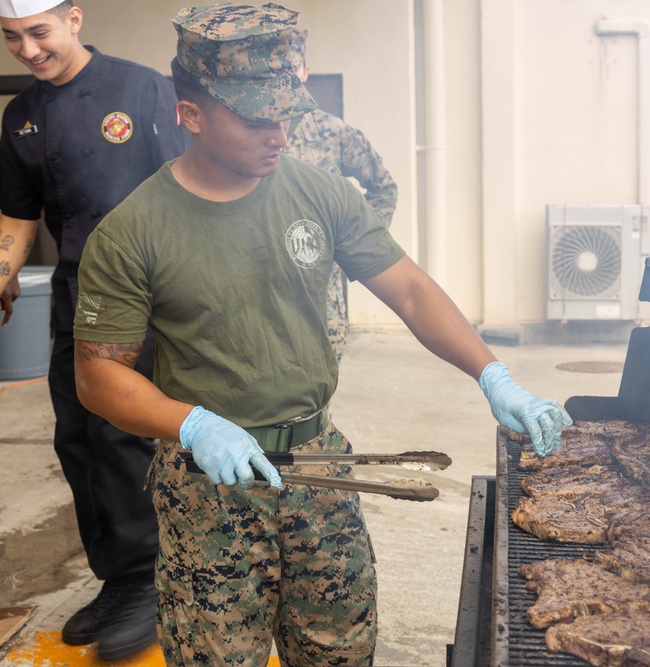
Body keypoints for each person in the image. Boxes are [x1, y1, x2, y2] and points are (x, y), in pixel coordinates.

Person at [71, 4, 571, 666]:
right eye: (256, 119)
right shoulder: (134, 231)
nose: (279, 133)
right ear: (190, 114)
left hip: (320, 468)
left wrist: (493, 374)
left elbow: (413, 291)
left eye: (286, 112)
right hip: (208, 487)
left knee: (340, 652)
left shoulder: (322, 194)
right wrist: (192, 423)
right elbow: (98, 374)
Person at [0, 0, 188, 660]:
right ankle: (118, 576)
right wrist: (2, 268)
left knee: (123, 439)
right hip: (76, 302)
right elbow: (20, 217)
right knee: (77, 441)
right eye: (12, 36)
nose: (26, 47)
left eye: (38, 32)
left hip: (145, 300)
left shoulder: (143, 89)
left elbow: (190, 190)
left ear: (74, 20)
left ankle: (152, 579)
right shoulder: (21, 116)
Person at [284, 27, 398, 362]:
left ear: (305, 71)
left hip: (322, 293)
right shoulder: (248, 132)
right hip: (261, 286)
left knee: (320, 385)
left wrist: (353, 249)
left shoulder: (332, 132)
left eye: (293, 70)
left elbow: (383, 187)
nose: (287, 81)